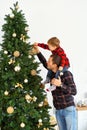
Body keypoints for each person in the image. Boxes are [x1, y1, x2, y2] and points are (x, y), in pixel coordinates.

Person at [34, 46, 77, 130]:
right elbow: (43, 62)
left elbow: (74, 91)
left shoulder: (66, 74)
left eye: (49, 61)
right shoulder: (52, 73)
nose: (47, 62)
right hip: (58, 110)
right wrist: (38, 51)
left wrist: (60, 84)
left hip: (68, 109)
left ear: (55, 65)